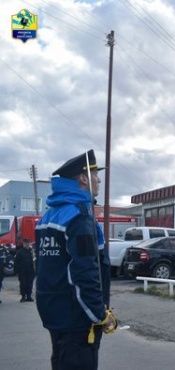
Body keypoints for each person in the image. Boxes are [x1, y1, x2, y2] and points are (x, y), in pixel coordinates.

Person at [35, 150, 116, 370]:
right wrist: (100, 314)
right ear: (83, 178)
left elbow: (44, 268)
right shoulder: (79, 217)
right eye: (96, 175)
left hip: (54, 312)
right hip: (77, 319)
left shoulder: (48, 216)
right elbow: (85, 272)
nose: (99, 180)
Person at [14, 238, 35, 302]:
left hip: (30, 271)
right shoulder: (19, 252)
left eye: (28, 243)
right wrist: (16, 271)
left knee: (29, 284)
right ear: (23, 244)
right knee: (23, 284)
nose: (27, 244)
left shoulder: (31, 251)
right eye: (25, 243)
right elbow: (16, 262)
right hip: (22, 271)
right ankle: (23, 297)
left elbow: (33, 261)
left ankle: (29, 296)